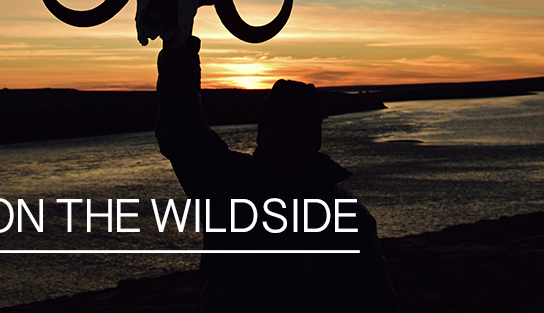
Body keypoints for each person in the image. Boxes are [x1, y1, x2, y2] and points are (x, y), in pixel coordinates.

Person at [156, 35, 398, 312]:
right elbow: (181, 132)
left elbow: (378, 300)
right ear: (261, 134)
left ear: (315, 136)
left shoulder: (354, 218)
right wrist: (178, 60)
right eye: (277, 123)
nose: (286, 134)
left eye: (296, 124)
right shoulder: (228, 182)